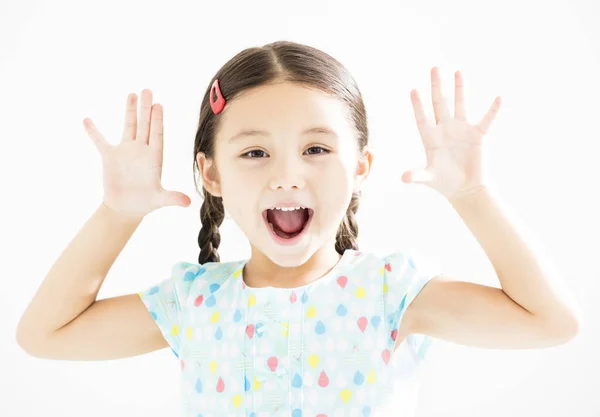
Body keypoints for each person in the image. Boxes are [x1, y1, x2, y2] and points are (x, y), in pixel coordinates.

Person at [16, 40, 583, 417]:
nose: (288, 175)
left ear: (360, 166)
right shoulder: (194, 303)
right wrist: (118, 214)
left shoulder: (390, 294)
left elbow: (550, 323)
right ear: (210, 173)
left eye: (316, 148)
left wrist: (473, 195)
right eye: (255, 152)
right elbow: (44, 335)